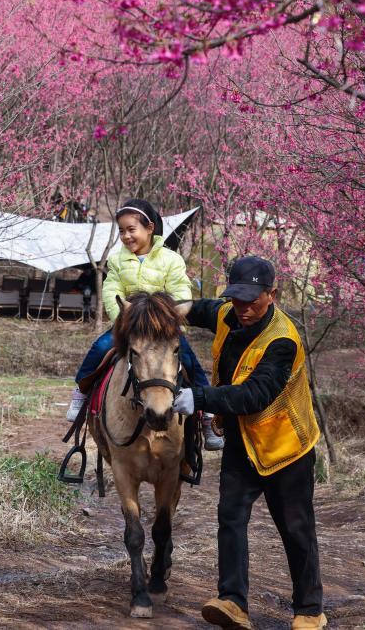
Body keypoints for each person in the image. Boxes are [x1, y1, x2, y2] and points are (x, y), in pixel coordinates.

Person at [173, 256, 326, 630]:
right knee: (231, 515)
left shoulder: (283, 341)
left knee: (295, 527)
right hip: (243, 440)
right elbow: (202, 309)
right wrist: (168, 308)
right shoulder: (231, 312)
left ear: (272, 294)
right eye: (237, 299)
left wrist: (201, 398)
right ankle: (232, 602)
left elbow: (254, 395)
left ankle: (309, 611)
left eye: (252, 301)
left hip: (285, 446)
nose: (243, 309)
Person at [66, 198, 224, 450]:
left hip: (162, 327)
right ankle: (81, 392)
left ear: (149, 228)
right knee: (100, 347)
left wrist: (172, 317)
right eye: (121, 231)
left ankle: (206, 414)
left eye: (132, 229)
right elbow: (111, 288)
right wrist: (121, 319)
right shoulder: (118, 260)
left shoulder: (171, 260)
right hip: (130, 324)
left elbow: (180, 290)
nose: (126, 236)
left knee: (190, 360)